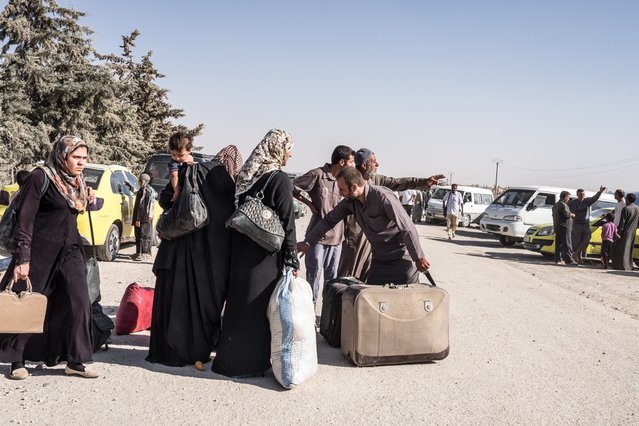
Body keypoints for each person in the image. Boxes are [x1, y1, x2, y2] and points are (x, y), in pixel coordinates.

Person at [0, 135, 97, 380]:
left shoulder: (76, 180)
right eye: (76, 157)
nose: (81, 162)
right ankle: (16, 360)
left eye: (84, 158)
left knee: (80, 301)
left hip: (71, 249)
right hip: (39, 250)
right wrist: (23, 257)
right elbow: (26, 219)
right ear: (62, 155)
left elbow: (74, 209)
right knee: (26, 302)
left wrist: (89, 200)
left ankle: (76, 360)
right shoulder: (40, 177)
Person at [212, 129, 300, 378]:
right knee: (258, 307)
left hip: (240, 252)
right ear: (277, 148)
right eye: (289, 148)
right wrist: (292, 258)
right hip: (265, 255)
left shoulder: (247, 176)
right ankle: (252, 363)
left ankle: (229, 360)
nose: (290, 154)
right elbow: (287, 222)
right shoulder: (279, 179)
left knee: (238, 305)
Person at [146, 145, 241, 367]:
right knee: (204, 302)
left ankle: (167, 350)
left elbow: (166, 199)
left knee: (175, 299)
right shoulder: (227, 184)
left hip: (177, 249)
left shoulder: (191, 171)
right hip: (211, 259)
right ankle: (198, 348)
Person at [299, 167, 430, 285]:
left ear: (354, 187)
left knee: (407, 305)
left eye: (343, 189)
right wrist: (308, 242)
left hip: (401, 261)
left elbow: (407, 227)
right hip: (379, 262)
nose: (341, 193)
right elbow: (328, 220)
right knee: (370, 303)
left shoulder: (383, 197)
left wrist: (418, 257)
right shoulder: (350, 202)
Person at [336, 148, 443, 281]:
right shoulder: (347, 181)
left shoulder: (378, 182)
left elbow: (399, 183)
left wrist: (423, 182)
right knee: (349, 278)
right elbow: (334, 215)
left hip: (378, 248)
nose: (377, 165)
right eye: (374, 162)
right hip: (356, 239)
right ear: (364, 165)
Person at [292, 145, 354, 302]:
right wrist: (309, 203)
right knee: (313, 278)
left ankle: (328, 316)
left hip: (337, 239)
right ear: (341, 162)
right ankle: (310, 315)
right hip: (317, 237)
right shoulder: (318, 175)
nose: (353, 166)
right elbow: (291, 187)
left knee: (332, 281)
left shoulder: (345, 180)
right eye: (351, 162)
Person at [568, 186, 605, 264]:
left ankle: (576, 254)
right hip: (576, 225)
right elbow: (565, 208)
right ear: (577, 195)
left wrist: (600, 192)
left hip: (585, 225)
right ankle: (578, 256)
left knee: (586, 240)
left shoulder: (587, 201)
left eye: (583, 194)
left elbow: (594, 198)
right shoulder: (573, 203)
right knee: (577, 242)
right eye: (580, 194)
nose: (582, 196)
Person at [131, 173, 156, 261]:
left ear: (143, 181)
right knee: (139, 235)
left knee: (142, 236)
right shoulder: (143, 190)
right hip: (143, 218)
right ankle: (139, 253)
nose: (138, 181)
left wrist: (138, 219)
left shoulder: (145, 191)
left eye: (139, 180)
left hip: (142, 218)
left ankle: (143, 254)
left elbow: (142, 206)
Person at [612, 193, 639, 271]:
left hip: (625, 232)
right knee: (629, 249)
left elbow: (621, 224)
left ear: (627, 199)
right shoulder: (637, 208)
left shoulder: (626, 209)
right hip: (633, 231)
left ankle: (621, 266)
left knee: (620, 249)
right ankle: (629, 266)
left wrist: (618, 233)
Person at [168, 131, 195, 203]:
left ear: (189, 151)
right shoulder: (174, 163)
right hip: (175, 188)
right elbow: (174, 176)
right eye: (173, 154)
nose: (177, 158)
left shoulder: (191, 159)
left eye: (180, 155)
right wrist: (176, 192)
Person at [552, 190, 576, 266]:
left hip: (557, 227)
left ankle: (558, 259)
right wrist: (572, 214)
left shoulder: (555, 205)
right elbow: (566, 215)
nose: (569, 199)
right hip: (564, 227)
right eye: (568, 197)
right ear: (565, 197)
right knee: (567, 244)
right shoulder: (563, 205)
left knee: (558, 245)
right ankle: (568, 260)